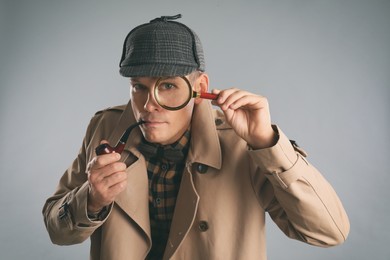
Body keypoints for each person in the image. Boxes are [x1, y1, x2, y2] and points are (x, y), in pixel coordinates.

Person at [43, 14, 350, 260]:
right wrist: (92, 200)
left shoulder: (243, 143)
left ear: (199, 88)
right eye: (138, 87)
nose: (148, 105)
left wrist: (269, 145)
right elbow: (57, 230)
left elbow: (329, 232)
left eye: (167, 86)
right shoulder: (105, 129)